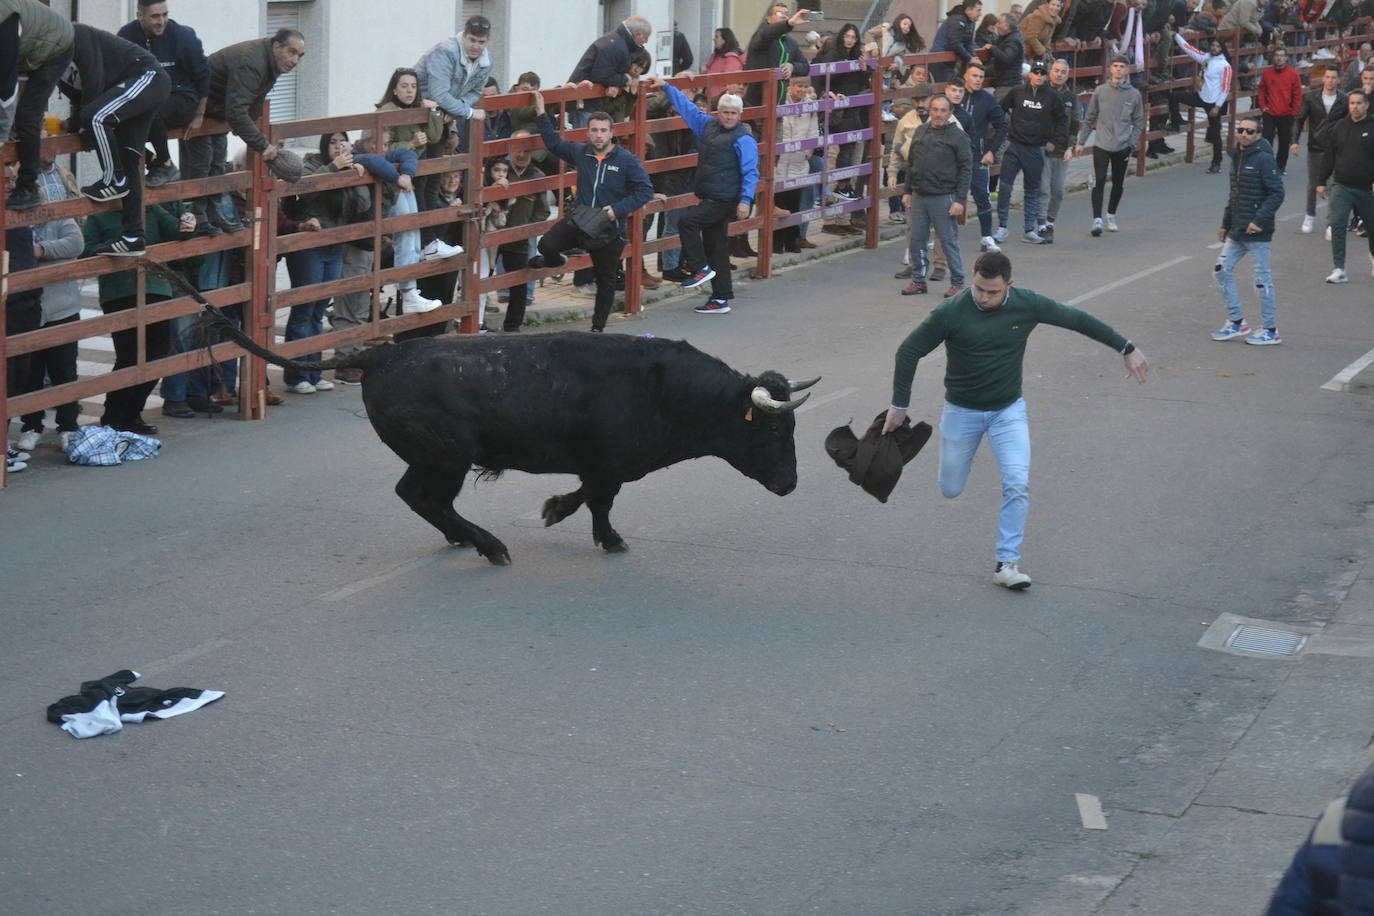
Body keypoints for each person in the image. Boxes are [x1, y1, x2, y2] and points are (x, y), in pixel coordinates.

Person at [882, 250, 1150, 589]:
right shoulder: (951, 312)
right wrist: (899, 404)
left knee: (1017, 481)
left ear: (1010, 284)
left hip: (1007, 412)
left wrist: (1126, 348)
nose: (984, 297)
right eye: (979, 289)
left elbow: (1077, 319)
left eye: (993, 291)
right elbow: (908, 351)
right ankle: (962, 461)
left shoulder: (1028, 304)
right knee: (950, 488)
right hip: (961, 412)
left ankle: (1006, 562)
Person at [528, 91, 653, 332]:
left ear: (611, 132)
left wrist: (616, 210)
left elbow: (645, 191)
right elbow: (553, 143)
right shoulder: (580, 152)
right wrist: (542, 113)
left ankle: (597, 330)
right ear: (588, 132)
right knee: (546, 245)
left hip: (608, 228)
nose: (598, 135)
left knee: (605, 280)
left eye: (603, 131)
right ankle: (555, 261)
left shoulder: (627, 160)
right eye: (594, 130)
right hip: (580, 221)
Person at [57, 24, 171, 256]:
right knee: (127, 159)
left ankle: (113, 180)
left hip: (147, 76)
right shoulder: (53, 66)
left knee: (96, 117)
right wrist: (72, 124)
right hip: (127, 89)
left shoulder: (78, 35)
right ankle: (133, 237)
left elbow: (94, 86)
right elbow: (79, 101)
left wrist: (83, 125)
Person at [83, 203, 196, 434]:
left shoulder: (152, 209)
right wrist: (112, 248)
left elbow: (178, 231)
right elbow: (85, 251)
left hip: (156, 287)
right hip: (119, 291)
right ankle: (114, 414)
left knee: (157, 355)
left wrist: (189, 218)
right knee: (128, 357)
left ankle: (132, 412)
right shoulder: (98, 216)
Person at [182, 29, 305, 235]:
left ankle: (212, 214)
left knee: (217, 162)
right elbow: (237, 111)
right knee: (202, 162)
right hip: (198, 108)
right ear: (277, 47)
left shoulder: (270, 63)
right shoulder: (253, 62)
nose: (294, 60)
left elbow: (253, 104)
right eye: (291, 52)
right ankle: (198, 217)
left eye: (299, 56)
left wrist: (256, 136)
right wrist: (263, 145)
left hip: (216, 112)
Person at [654, 79, 759, 315]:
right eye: (725, 112)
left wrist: (746, 200)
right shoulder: (707, 125)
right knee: (716, 248)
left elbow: (751, 171)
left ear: (740, 115)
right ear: (718, 112)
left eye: (733, 113)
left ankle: (699, 267)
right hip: (709, 196)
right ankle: (720, 298)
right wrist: (667, 88)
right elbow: (687, 108)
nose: (729, 117)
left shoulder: (744, 139)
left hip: (724, 199)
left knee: (687, 222)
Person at [116, 0, 210, 188]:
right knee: (115, 121)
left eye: (165, 15)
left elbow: (204, 75)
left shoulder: (184, 36)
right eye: (155, 16)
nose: (162, 21)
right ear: (140, 16)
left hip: (182, 97)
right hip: (144, 98)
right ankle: (153, 160)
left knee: (149, 107)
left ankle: (166, 163)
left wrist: (199, 115)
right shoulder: (126, 36)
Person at [1211, 114, 1284, 345]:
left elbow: (1277, 193)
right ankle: (1236, 322)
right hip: (1237, 229)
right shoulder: (1237, 157)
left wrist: (1259, 221)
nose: (1244, 134)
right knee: (1221, 269)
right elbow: (1234, 195)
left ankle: (1270, 330)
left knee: (1262, 279)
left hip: (1258, 232)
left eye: (1249, 131)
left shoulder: (1264, 159)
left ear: (1259, 135)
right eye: (1241, 130)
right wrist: (1225, 223)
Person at [0, 0, 75, 211]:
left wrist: (1, 138)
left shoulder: (3, 21)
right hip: (30, 45)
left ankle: (28, 186)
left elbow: (6, 87)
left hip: (56, 46)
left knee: (27, 116)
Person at [898, 95, 970, 298]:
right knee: (916, 241)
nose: (938, 114)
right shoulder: (921, 131)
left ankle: (957, 282)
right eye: (935, 110)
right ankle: (919, 281)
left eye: (943, 110)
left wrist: (959, 200)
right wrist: (907, 191)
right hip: (919, 195)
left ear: (950, 113)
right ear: (930, 111)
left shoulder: (958, 136)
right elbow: (912, 164)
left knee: (948, 241)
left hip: (944, 196)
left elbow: (966, 169)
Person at [996, 61, 1067, 245]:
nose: (1038, 76)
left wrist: (1053, 141)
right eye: (1035, 72)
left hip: (1036, 150)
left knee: (1032, 191)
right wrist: (1002, 132)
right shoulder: (1017, 91)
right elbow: (999, 110)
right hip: (1015, 147)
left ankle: (1029, 230)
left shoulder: (1051, 96)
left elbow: (1062, 120)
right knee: (1004, 188)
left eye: (1042, 73)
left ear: (1046, 76)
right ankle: (1002, 227)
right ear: (1030, 75)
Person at [1075, 53, 1145, 237]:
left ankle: (1111, 214)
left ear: (1127, 70)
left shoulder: (1134, 94)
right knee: (1099, 180)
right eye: (1115, 66)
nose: (1118, 69)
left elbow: (1139, 121)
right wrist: (1081, 142)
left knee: (1118, 183)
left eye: (1122, 66)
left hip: (1122, 145)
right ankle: (1096, 219)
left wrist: (1132, 143)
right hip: (1102, 144)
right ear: (1110, 69)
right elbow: (1089, 118)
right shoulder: (1100, 91)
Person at [1315, 89, 1374, 284]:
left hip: (1367, 189)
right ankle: (1339, 269)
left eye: (1359, 103)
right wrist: (1321, 181)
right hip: (1342, 185)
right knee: (1338, 225)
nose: (1355, 107)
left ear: (1366, 105)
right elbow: (1329, 156)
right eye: (1351, 103)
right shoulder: (1339, 127)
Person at [495, 131, 550, 332]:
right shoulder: (498, 169)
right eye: (517, 150)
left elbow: (543, 211)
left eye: (526, 151)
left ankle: (512, 326)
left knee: (519, 284)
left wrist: (527, 228)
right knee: (482, 279)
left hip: (519, 237)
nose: (521, 155)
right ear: (511, 150)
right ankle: (478, 322)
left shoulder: (537, 176)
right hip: (493, 234)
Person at [1291, 66, 1347, 235]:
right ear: (1323, 79)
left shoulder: (1344, 99)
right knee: (1313, 185)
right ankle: (1310, 215)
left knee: (1333, 185)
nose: (1330, 80)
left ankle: (1331, 223)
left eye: (1334, 77)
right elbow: (1299, 119)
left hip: (1336, 148)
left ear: (1339, 80)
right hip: (1315, 146)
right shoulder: (1311, 98)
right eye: (1328, 77)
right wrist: (1294, 141)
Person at [415, 15, 492, 135]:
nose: (476, 46)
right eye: (472, 40)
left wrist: (457, 110)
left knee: (438, 153)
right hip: (415, 114)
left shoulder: (486, 62)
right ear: (464, 36)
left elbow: (476, 92)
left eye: (481, 42)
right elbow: (439, 94)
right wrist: (469, 112)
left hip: (443, 116)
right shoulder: (445, 53)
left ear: (488, 41)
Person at [567, 15, 652, 117]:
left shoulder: (617, 42)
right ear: (638, 34)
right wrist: (625, 79)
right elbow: (601, 75)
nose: (646, 42)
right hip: (586, 103)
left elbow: (607, 72)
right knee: (586, 132)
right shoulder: (616, 46)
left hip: (589, 102)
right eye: (646, 37)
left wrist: (616, 83)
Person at [1169, 34, 1231, 173]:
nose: (1214, 48)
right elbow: (1189, 49)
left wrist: (1217, 106)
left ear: (1222, 48)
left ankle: (1216, 163)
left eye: (1217, 46)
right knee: (1174, 96)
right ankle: (1175, 121)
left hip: (1213, 102)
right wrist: (1176, 36)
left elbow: (1226, 88)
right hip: (1200, 96)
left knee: (1215, 134)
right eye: (1213, 45)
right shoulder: (1206, 57)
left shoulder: (1225, 66)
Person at [1037, 57, 1079, 240]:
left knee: (1058, 190)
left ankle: (1051, 221)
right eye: (1056, 70)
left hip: (1062, 150)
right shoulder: (1041, 92)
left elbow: (1075, 124)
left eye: (1063, 71)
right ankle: (1040, 224)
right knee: (1043, 189)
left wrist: (1071, 146)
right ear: (1050, 72)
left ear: (1067, 75)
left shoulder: (1071, 98)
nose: (1059, 74)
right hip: (1043, 149)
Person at [744, 4, 814, 108]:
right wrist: (788, 23)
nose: (783, 16)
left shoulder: (791, 42)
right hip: (757, 103)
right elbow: (768, 33)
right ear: (768, 18)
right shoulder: (761, 35)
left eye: (786, 14)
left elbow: (805, 66)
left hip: (780, 106)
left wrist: (792, 66)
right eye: (779, 13)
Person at [376, 67, 446, 159]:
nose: (410, 90)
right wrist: (411, 144)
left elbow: (433, 138)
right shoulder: (386, 112)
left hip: (418, 163)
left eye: (414, 86)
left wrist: (433, 110)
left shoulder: (419, 108)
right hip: (395, 165)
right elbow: (380, 148)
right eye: (404, 86)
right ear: (394, 90)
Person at [1257, 47, 1302, 173]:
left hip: (1286, 113)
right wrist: (1263, 106)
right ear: (1273, 57)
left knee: (1284, 141)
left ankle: (1280, 167)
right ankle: (1267, 165)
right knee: (1266, 141)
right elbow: (1261, 90)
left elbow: (1297, 94)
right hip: (1270, 112)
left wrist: (1294, 111)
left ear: (1286, 58)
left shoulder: (1293, 74)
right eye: (1277, 55)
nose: (1279, 58)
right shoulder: (1267, 73)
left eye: (1282, 55)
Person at [930, 0, 983, 83]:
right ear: (969, 10)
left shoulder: (971, 22)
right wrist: (970, 59)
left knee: (952, 87)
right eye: (978, 10)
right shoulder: (956, 20)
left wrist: (974, 57)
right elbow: (955, 43)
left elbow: (968, 43)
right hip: (940, 60)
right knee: (944, 88)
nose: (980, 14)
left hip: (950, 60)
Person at [987, 13, 1026, 103]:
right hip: (1008, 82)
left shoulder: (1013, 40)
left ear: (1007, 26)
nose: (996, 25)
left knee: (997, 111)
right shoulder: (1009, 37)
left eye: (999, 23)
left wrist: (992, 48)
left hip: (1007, 84)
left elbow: (1006, 57)